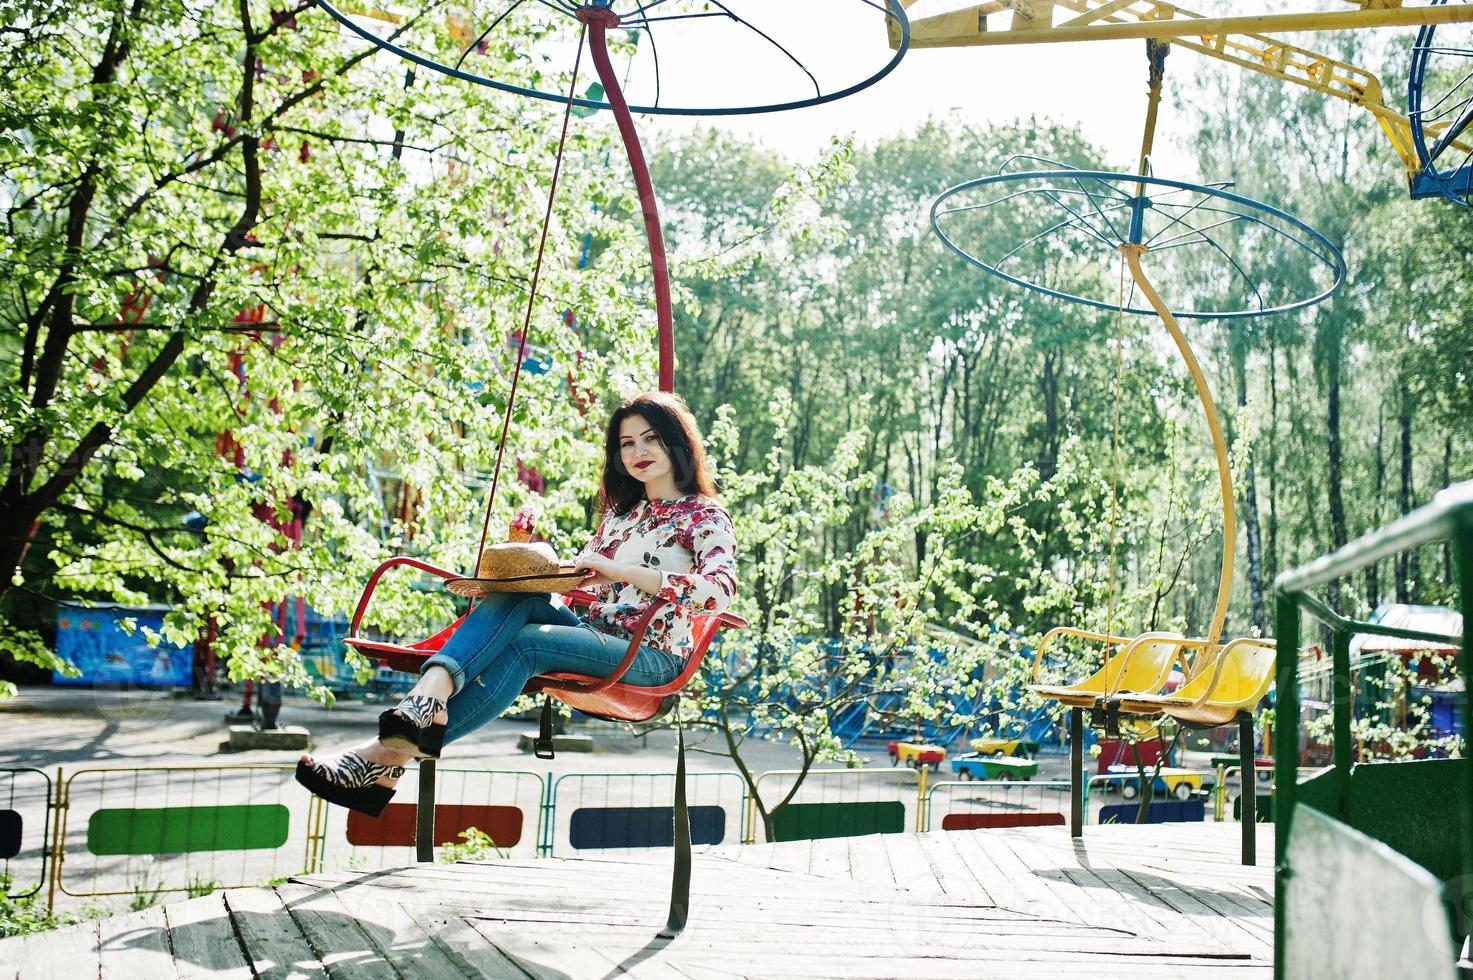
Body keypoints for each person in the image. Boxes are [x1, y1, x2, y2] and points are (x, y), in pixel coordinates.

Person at [296, 391, 738, 815]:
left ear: (676, 441)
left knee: (528, 644)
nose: (637, 451)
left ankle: (381, 755)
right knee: (517, 595)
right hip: (595, 637)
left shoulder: (703, 515)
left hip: (651, 656)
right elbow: (576, 579)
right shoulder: (621, 517)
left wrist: (624, 572)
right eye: (627, 443)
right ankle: (423, 704)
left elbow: (720, 590)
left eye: (650, 438)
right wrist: (526, 559)